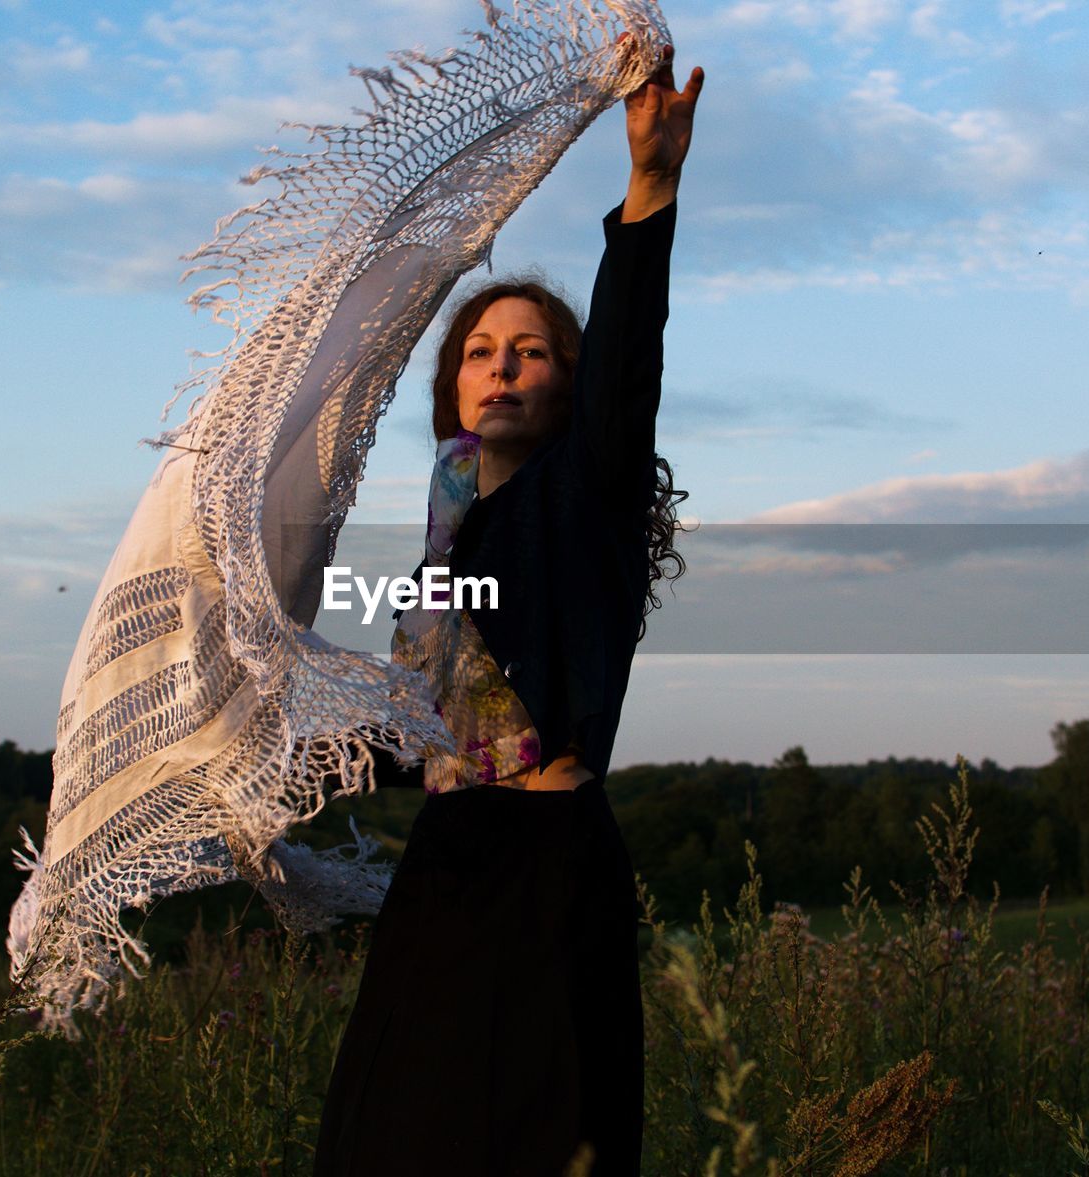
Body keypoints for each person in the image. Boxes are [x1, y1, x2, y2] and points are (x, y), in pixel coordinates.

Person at [313, 47, 705, 1177]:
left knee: (533, 1138)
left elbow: (628, 360)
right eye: (479, 353)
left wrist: (651, 189)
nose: (501, 369)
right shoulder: (444, 541)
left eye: (531, 353)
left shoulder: (584, 495)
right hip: (445, 870)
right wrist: (273, 759)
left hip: (545, 868)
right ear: (450, 391)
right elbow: (410, 736)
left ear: (565, 386)